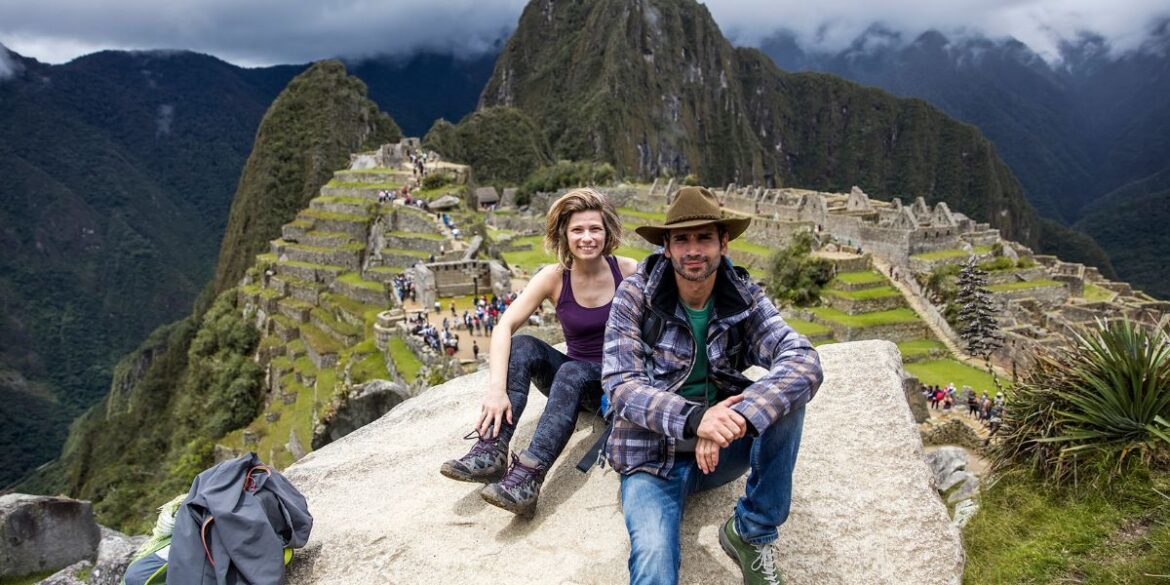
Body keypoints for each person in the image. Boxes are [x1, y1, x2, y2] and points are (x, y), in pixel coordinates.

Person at [602, 186, 823, 585]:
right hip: (650, 459)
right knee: (653, 561)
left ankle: (751, 531)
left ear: (724, 242)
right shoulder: (635, 297)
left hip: (721, 450)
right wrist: (695, 420)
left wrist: (732, 417)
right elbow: (622, 386)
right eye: (682, 239)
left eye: (704, 237)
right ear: (666, 247)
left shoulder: (742, 297)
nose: (693, 249)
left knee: (788, 401)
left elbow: (803, 361)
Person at [440, 188, 638, 515]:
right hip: (574, 381)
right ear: (564, 233)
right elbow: (504, 326)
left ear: (608, 232)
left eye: (594, 229)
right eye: (577, 229)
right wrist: (495, 391)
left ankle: (529, 477)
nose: (587, 237)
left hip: (616, 385)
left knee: (571, 372)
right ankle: (491, 449)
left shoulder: (629, 272)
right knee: (524, 345)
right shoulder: (554, 277)